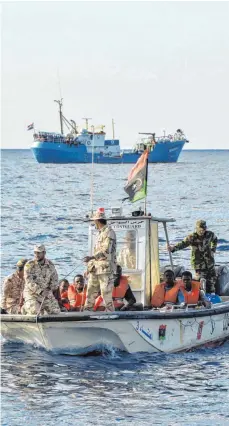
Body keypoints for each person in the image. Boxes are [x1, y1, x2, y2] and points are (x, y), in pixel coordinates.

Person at [168, 220, 218, 293]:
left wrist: (213, 249)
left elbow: (215, 240)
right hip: (198, 263)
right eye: (200, 230)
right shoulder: (192, 237)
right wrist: (173, 248)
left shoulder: (210, 234)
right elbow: (183, 244)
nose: (202, 231)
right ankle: (201, 296)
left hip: (210, 262)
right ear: (197, 229)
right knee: (201, 280)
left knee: (212, 279)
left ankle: (212, 295)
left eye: (203, 229)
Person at [83, 208, 117, 311]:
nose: (94, 222)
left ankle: (110, 313)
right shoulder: (99, 233)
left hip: (105, 269)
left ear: (97, 220)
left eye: (94, 220)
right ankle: (87, 311)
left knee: (105, 292)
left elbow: (107, 250)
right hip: (95, 268)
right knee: (90, 290)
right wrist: (89, 267)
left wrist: (92, 257)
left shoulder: (109, 232)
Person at [22, 245, 60, 315]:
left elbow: (55, 280)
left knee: (56, 312)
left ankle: (41, 308)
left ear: (44, 253)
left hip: (46, 294)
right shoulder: (29, 265)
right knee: (35, 312)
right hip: (32, 294)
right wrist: (41, 291)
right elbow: (29, 282)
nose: (36, 255)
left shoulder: (50, 265)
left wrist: (50, 288)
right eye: (35, 252)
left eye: (39, 253)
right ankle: (25, 307)